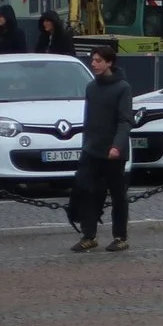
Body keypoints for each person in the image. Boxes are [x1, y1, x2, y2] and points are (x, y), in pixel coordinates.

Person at [68, 43, 136, 254]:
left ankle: (120, 236)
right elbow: (88, 120)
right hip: (92, 149)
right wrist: (85, 145)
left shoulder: (122, 87)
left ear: (109, 62)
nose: (94, 64)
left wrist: (117, 146)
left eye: (98, 60)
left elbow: (125, 121)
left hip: (113, 152)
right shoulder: (91, 87)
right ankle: (89, 235)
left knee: (117, 195)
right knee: (87, 191)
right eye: (93, 60)